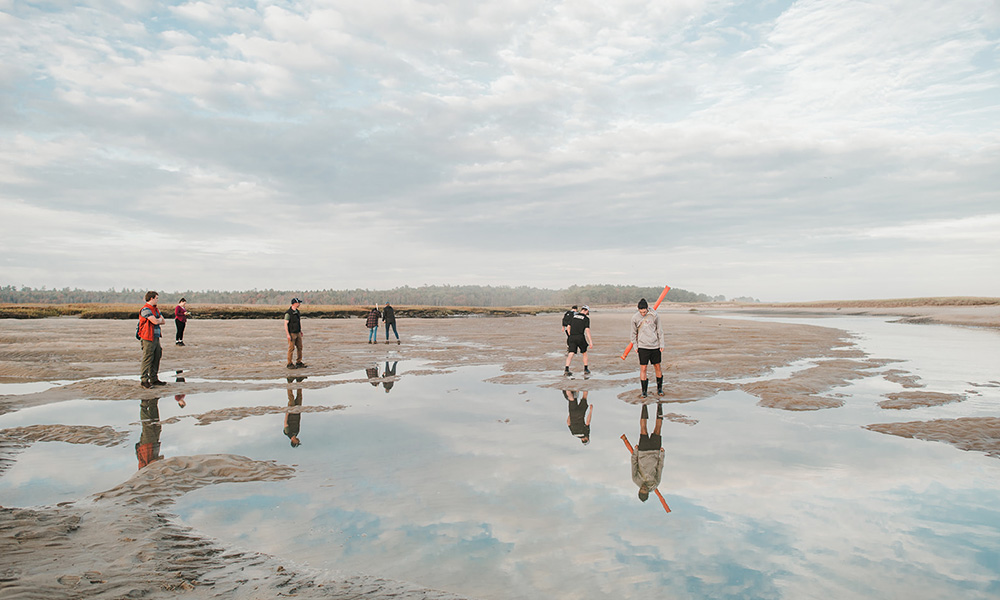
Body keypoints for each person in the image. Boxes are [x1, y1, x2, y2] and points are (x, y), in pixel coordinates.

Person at [630, 298, 666, 398]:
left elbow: (660, 331)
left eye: (644, 311)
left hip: (655, 346)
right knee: (643, 368)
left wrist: (661, 344)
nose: (643, 313)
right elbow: (633, 333)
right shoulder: (635, 318)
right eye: (641, 312)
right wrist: (635, 346)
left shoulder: (654, 315)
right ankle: (644, 391)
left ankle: (659, 389)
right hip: (642, 346)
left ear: (647, 308)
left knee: (657, 367)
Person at [631, 403, 664, 502]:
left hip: (643, 452)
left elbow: (634, 463)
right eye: (645, 489)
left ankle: (644, 405)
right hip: (655, 452)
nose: (644, 487)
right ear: (648, 491)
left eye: (642, 489)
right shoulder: (655, 484)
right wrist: (662, 454)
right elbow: (659, 467)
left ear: (639, 490)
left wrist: (635, 451)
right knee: (658, 429)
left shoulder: (636, 480)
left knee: (643, 429)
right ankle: (660, 405)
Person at [138, 291, 166, 388]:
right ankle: (144, 380)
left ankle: (154, 378)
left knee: (157, 356)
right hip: (147, 337)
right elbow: (155, 321)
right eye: (156, 298)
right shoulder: (146, 309)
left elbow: (163, 321)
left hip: (156, 337)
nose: (157, 300)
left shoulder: (156, 309)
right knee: (148, 358)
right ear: (151, 298)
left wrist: (158, 320)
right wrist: (158, 320)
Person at [564, 305, 593, 377]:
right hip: (580, 337)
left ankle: (566, 369)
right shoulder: (586, 318)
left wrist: (571, 335)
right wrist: (590, 341)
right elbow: (587, 330)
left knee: (571, 353)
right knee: (584, 353)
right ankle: (586, 369)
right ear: (586, 311)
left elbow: (568, 327)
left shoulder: (573, 316)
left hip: (572, 337)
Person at [284, 297, 307, 369]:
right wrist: (288, 334)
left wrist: (300, 331)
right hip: (292, 333)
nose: (299, 304)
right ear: (294, 303)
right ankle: (289, 363)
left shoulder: (297, 312)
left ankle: (299, 362)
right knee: (291, 348)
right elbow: (285, 324)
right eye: (298, 303)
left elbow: (298, 322)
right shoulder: (288, 313)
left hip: (298, 332)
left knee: (300, 347)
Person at [283, 377, 305, 447]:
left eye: (297, 442)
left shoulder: (288, 433)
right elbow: (298, 421)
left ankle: (289, 382)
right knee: (299, 396)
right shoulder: (297, 433)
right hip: (297, 412)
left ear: (293, 441)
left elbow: (285, 423)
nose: (299, 441)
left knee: (291, 397)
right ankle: (299, 381)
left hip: (291, 412)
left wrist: (287, 413)